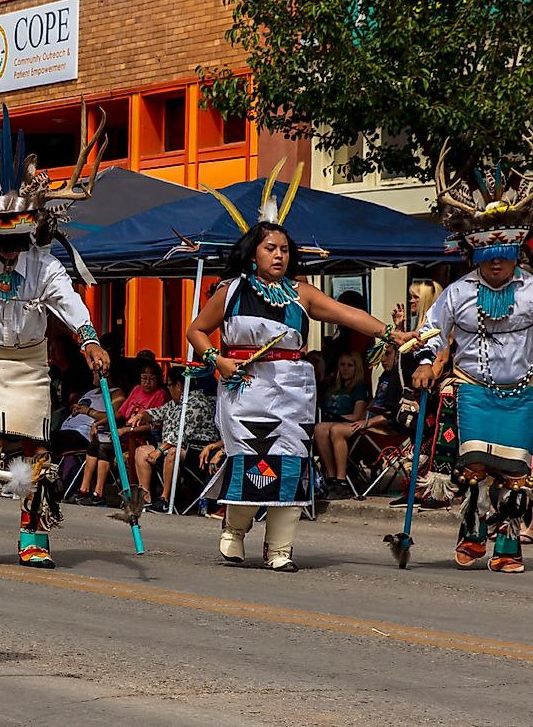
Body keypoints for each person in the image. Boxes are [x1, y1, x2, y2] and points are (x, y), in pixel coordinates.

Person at [186, 168, 405, 572]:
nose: (279, 255)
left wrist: (392, 333)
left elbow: (348, 315)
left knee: (291, 462)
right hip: (245, 389)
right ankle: (235, 529)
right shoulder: (231, 291)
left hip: (292, 391)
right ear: (254, 252)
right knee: (249, 459)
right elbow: (196, 331)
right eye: (270, 248)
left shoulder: (301, 294)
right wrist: (217, 360)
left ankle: (279, 548)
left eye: (284, 250)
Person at [0, 94, 110, 568]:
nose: (8, 251)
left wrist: (89, 339)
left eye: (16, 241)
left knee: (37, 450)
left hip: (31, 363)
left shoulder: (43, 264)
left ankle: (34, 534)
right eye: (0, 242)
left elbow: (68, 301)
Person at [414, 149, 533, 573]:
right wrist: (426, 364)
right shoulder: (458, 293)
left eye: (504, 252)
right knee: (475, 467)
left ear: (516, 252)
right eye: (488, 253)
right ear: (476, 253)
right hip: (472, 389)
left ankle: (508, 543)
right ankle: (473, 533)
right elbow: (430, 331)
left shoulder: (531, 290)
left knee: (514, 473)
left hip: (521, 392)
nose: (497, 261)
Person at [129, 366, 219, 513]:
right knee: (141, 451)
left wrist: (159, 450)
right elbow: (157, 412)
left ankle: (165, 499)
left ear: (178, 385)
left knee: (173, 453)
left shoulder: (197, 403)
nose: (168, 389)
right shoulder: (174, 404)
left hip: (196, 451)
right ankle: (145, 498)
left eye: (169, 385)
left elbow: (182, 435)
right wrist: (141, 416)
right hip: (170, 446)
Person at [312, 352, 371, 498]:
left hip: (351, 424)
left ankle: (341, 481)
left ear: (357, 368)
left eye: (350, 365)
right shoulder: (332, 387)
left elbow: (357, 415)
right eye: (342, 365)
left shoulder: (360, 387)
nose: (345, 368)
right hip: (331, 423)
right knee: (319, 429)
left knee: (334, 429)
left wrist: (337, 418)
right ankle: (331, 477)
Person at [69, 383, 126, 506]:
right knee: (95, 445)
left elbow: (119, 414)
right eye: (144, 378)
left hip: (123, 436)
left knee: (103, 446)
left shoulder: (117, 393)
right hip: (75, 429)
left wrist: (90, 413)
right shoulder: (90, 392)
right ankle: (84, 490)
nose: (147, 382)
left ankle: (98, 493)